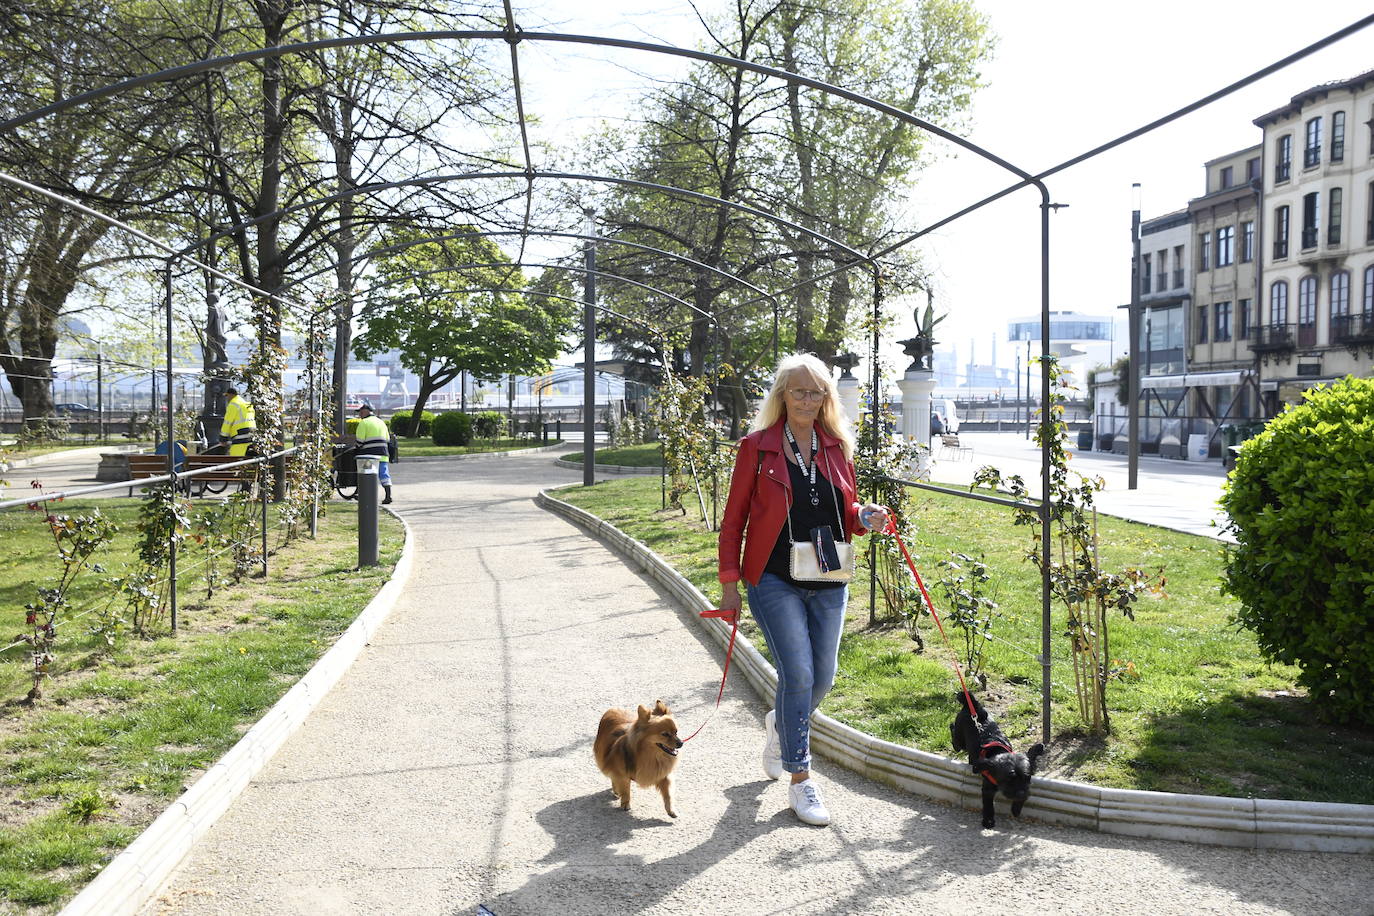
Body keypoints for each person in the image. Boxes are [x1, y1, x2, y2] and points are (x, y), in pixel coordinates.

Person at [718, 353, 889, 826]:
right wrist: (730, 585)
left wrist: (864, 516)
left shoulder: (837, 445)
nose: (808, 400)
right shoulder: (756, 447)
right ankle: (802, 779)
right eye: (799, 391)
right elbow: (734, 522)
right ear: (782, 395)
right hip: (774, 578)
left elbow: (846, 509)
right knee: (798, 675)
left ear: (827, 398)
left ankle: (781, 724)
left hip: (829, 575)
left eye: (817, 392)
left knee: (823, 679)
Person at [354, 402, 393, 505]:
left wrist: (357, 449)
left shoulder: (364, 423)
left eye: (360, 413)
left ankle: (364, 496)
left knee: (366, 474)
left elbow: (360, 441)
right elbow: (388, 439)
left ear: (365, 412)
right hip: (383, 453)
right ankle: (388, 495)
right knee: (384, 474)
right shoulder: (381, 422)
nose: (359, 415)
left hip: (369, 455)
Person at [220, 385, 256, 457]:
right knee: (249, 458)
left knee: (236, 459)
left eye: (227, 396)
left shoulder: (233, 404)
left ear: (231, 395)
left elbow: (227, 422)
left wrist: (223, 438)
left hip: (240, 435)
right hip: (252, 433)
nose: (227, 398)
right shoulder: (246, 404)